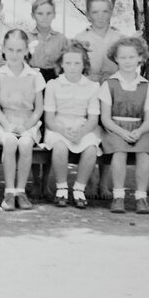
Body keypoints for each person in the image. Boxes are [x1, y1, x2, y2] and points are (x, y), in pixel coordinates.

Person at [99, 36, 149, 215]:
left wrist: (140, 131)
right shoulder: (109, 84)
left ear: (140, 58)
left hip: (139, 129)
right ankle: (118, 196)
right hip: (115, 129)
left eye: (132, 57)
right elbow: (105, 119)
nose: (127, 61)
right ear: (116, 58)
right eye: (123, 57)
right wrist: (120, 132)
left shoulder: (146, 86)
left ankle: (141, 197)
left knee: (144, 153)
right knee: (119, 151)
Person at [42, 41, 102, 209]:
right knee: (59, 146)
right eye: (68, 63)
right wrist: (63, 131)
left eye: (77, 63)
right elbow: (49, 118)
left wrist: (81, 132)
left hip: (83, 127)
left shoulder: (92, 86)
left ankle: (79, 189)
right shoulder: (53, 85)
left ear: (84, 65)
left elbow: (92, 119)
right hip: (58, 127)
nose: (72, 67)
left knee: (91, 148)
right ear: (61, 64)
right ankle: (61, 188)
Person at [0, 29, 46, 211]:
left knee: (24, 144)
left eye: (19, 50)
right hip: (4, 121)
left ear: (26, 51)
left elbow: (38, 109)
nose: (14, 55)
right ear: (4, 50)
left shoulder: (35, 76)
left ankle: (20, 191)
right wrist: (7, 126)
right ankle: (9, 191)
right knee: (9, 143)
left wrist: (26, 127)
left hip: (27, 122)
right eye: (10, 50)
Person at [74, 0, 125, 83]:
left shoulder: (120, 39)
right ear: (88, 15)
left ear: (110, 13)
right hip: (87, 90)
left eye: (105, 11)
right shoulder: (79, 39)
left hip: (114, 90)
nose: (100, 16)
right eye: (95, 12)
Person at [27, 0, 69, 82]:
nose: (44, 17)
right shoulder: (27, 38)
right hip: (32, 80)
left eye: (48, 13)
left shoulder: (61, 39)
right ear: (33, 15)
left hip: (54, 81)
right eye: (40, 13)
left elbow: (66, 62)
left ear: (54, 14)